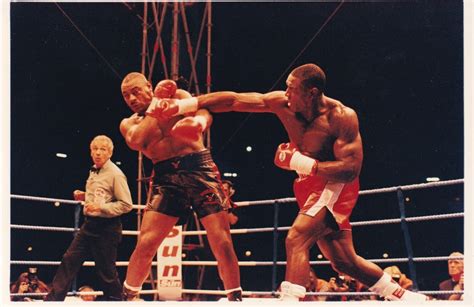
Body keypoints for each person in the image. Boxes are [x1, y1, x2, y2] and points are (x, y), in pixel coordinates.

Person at [148, 63, 428, 302]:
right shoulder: (283, 103)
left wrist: (301, 163)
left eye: (292, 88)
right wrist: (184, 105)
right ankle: (404, 296)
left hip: (336, 186)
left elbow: (351, 169)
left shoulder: (341, 117)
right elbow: (234, 100)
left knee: (296, 239)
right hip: (308, 185)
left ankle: (289, 300)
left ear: (312, 92)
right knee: (343, 260)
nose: (287, 92)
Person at [119, 73, 242, 301]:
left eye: (136, 91)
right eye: (126, 95)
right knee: (146, 242)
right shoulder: (129, 123)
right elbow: (138, 141)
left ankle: (234, 297)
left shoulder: (179, 96)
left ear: (148, 85)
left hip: (199, 167)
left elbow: (204, 110)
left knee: (221, 239)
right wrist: (156, 103)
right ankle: (129, 298)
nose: (131, 98)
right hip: (166, 179)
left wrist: (199, 123)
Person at [45, 135, 133, 301]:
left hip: (107, 227)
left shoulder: (116, 174)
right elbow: (102, 196)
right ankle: (52, 301)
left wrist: (101, 207)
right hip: (89, 225)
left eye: (103, 149)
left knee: (106, 272)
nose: (98, 153)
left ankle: (117, 303)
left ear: (110, 153)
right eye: (95, 149)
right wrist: (85, 196)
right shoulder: (94, 170)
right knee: (69, 259)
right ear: (91, 152)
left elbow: (126, 204)